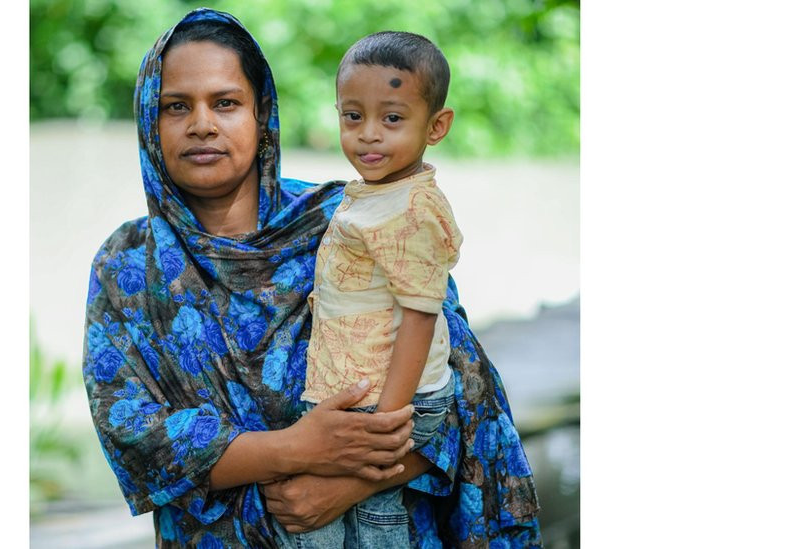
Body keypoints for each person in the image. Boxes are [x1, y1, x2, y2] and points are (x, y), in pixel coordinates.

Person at [82, 8, 541, 548]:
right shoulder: (128, 266)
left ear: (262, 114)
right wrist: (296, 449)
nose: (201, 124)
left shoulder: (352, 218)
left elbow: (462, 389)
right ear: (148, 124)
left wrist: (348, 484)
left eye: (226, 103)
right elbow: (132, 431)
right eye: (175, 107)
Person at [280, 31, 462, 548]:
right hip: (375, 394)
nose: (369, 135)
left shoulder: (410, 211)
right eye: (353, 116)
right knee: (374, 512)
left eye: (393, 118)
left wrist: (386, 424)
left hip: (390, 404)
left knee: (312, 515)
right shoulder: (379, 194)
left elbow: (422, 315)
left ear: (437, 126)